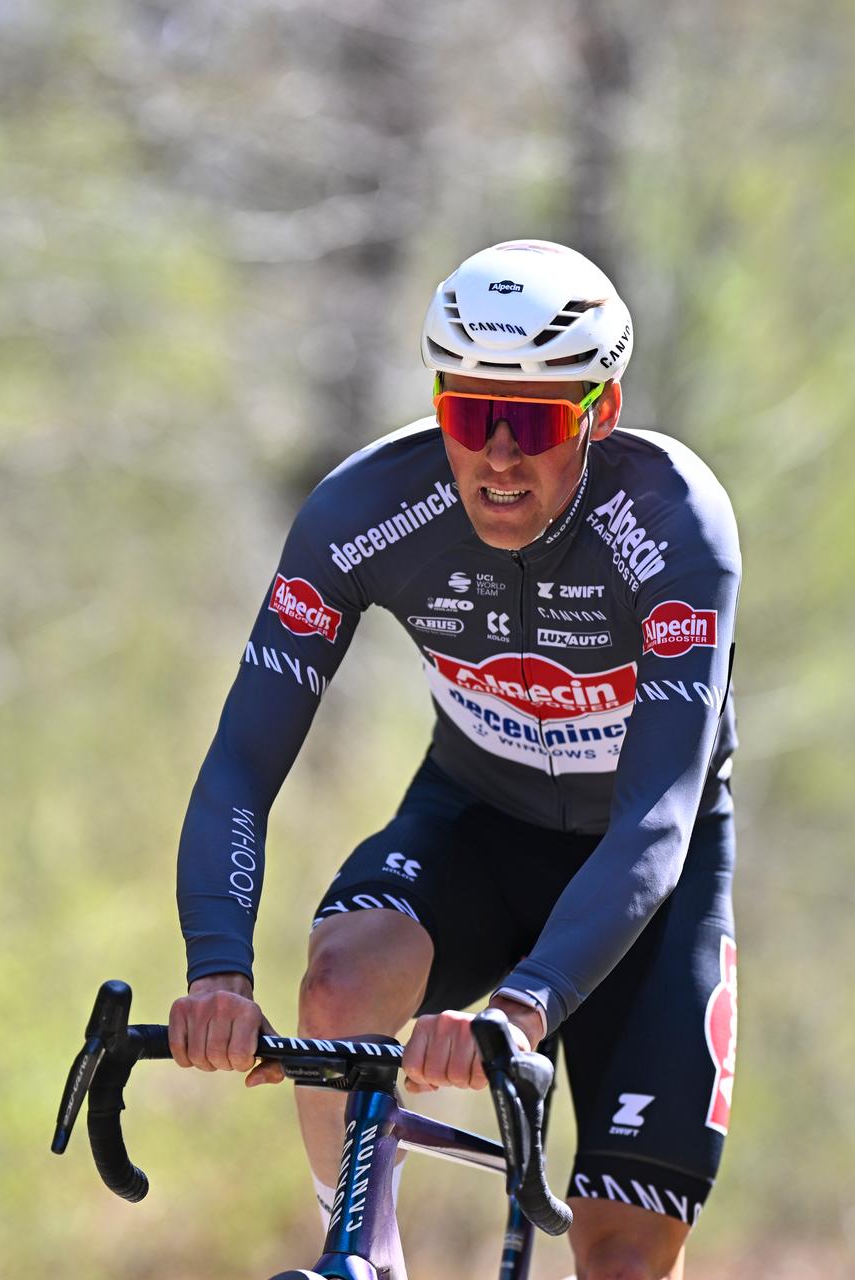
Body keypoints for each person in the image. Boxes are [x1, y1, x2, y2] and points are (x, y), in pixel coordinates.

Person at [169, 239, 740, 1280]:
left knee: (622, 1252)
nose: (498, 457)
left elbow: (658, 816)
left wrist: (520, 1007)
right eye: (472, 416)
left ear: (599, 414)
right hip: (476, 816)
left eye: (534, 421)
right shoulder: (363, 510)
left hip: (644, 870)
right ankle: (369, 1260)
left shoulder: (673, 524)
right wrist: (216, 968)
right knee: (341, 983)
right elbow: (243, 760)